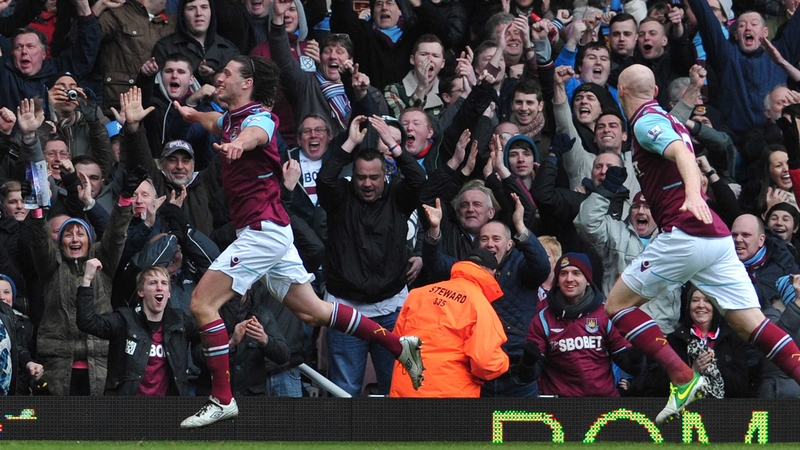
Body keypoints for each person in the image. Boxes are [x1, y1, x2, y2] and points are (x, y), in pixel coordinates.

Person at [171, 55, 424, 427]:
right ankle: (399, 344)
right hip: (271, 231)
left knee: (201, 303)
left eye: (227, 73)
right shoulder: (230, 118)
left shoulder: (259, 120)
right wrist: (191, 115)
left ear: (247, 84)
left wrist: (239, 145)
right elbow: (216, 122)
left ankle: (222, 398)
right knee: (313, 312)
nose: (219, 78)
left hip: (261, 233)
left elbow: (254, 134)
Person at [605, 64, 800, 425]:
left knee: (616, 305)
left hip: (686, 231)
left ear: (620, 92)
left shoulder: (646, 123)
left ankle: (682, 377)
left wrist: (693, 194)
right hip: (717, 238)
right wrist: (691, 93)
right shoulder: (663, 117)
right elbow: (674, 131)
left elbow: (680, 151)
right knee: (750, 325)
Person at [389, 248, 509, 397]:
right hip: (450, 394)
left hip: (406, 389)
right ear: (492, 273)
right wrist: (505, 363)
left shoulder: (417, 294)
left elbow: (396, 342)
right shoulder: (480, 306)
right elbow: (486, 363)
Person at [519, 253, 641, 397]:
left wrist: (638, 355)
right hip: (559, 406)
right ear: (557, 280)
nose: (569, 279)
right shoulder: (543, 318)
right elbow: (527, 377)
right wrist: (527, 362)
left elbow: (629, 365)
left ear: (588, 280)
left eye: (576, 273)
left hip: (602, 402)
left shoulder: (605, 314)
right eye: (563, 274)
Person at [76, 261, 198, 396]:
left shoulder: (181, 321)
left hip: (169, 410)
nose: (159, 287)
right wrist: (87, 280)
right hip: (129, 409)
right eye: (152, 283)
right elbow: (86, 322)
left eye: (164, 283)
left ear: (169, 293)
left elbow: (210, 332)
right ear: (141, 291)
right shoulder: (124, 320)